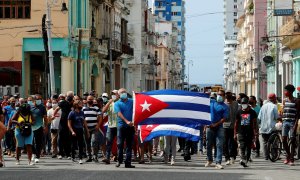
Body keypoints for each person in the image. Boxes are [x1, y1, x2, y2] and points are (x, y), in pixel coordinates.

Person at [205, 90, 228, 169]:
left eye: (221, 95)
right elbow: (203, 99)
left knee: (219, 145)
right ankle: (209, 160)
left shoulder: (225, 106)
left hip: (219, 127)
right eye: (218, 94)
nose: (219, 96)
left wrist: (216, 124)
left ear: (224, 96)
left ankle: (218, 162)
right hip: (209, 126)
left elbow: (224, 118)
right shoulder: (212, 102)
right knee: (208, 144)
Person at [114, 88, 135, 168]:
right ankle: (119, 160)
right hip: (121, 126)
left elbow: (138, 107)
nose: (123, 93)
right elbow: (119, 114)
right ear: (118, 95)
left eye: (124, 92)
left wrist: (136, 95)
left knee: (129, 145)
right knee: (120, 144)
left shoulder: (132, 101)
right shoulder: (117, 103)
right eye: (121, 92)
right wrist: (126, 121)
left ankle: (128, 162)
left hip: (130, 126)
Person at [234, 97, 257, 168]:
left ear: (248, 104)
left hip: (250, 132)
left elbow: (255, 123)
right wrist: (235, 133)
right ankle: (243, 159)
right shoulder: (238, 112)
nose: (243, 105)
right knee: (242, 146)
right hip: (241, 132)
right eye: (242, 104)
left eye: (244, 103)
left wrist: (255, 132)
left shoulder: (252, 112)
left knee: (248, 147)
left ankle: (246, 160)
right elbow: (236, 123)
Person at [281, 84, 300, 166]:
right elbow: (283, 110)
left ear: (291, 92)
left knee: (292, 140)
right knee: (284, 139)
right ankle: (288, 155)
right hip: (285, 122)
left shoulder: (297, 101)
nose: (285, 92)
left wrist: (296, 124)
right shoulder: (284, 100)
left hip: (293, 122)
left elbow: (298, 114)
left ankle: (292, 158)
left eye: (286, 91)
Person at [257, 93, 279, 160]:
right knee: (274, 141)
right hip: (271, 127)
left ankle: (266, 156)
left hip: (263, 127)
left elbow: (259, 117)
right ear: (274, 99)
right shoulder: (274, 106)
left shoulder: (263, 106)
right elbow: (276, 117)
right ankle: (274, 155)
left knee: (265, 142)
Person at [68, 100, 89, 164]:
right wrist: (72, 131)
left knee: (81, 144)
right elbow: (69, 124)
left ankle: (80, 158)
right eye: (80, 104)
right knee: (73, 144)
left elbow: (84, 122)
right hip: (74, 130)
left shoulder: (82, 112)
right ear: (76, 105)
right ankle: (73, 156)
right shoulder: (72, 113)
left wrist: (87, 130)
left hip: (80, 130)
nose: (82, 105)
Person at [82, 95, 102, 163]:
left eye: (91, 99)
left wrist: (98, 125)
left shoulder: (96, 108)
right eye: (89, 99)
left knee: (94, 142)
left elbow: (100, 117)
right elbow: (82, 118)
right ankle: (89, 156)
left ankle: (95, 156)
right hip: (86, 128)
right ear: (86, 100)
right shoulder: (83, 108)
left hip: (94, 128)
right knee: (87, 142)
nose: (90, 100)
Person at [29, 94, 48, 163]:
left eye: (40, 99)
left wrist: (46, 126)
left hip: (39, 127)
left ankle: (37, 156)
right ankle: (33, 153)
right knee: (30, 142)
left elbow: (45, 118)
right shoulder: (29, 107)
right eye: (37, 99)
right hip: (30, 127)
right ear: (33, 100)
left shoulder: (42, 107)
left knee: (38, 142)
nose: (39, 100)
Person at [54, 92, 73, 159]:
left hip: (68, 122)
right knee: (62, 138)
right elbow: (56, 109)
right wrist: (54, 114)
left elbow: (56, 109)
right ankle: (62, 153)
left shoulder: (72, 103)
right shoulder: (64, 103)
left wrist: (54, 114)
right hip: (64, 122)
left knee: (66, 138)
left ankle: (66, 154)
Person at [102, 90, 119, 164]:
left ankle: (118, 157)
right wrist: (108, 103)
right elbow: (103, 111)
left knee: (119, 143)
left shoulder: (120, 102)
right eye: (112, 94)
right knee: (109, 142)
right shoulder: (110, 103)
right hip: (111, 125)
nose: (113, 95)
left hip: (119, 125)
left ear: (118, 95)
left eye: (115, 94)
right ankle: (107, 157)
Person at [224, 91, 238, 165]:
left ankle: (233, 156)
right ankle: (227, 158)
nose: (228, 97)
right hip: (225, 126)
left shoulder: (235, 104)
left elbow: (238, 114)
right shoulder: (224, 104)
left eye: (229, 95)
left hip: (234, 126)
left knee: (233, 142)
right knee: (225, 143)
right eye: (226, 96)